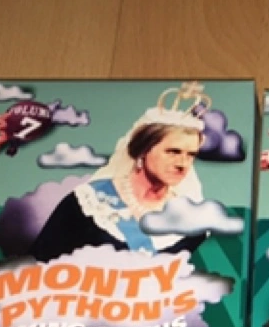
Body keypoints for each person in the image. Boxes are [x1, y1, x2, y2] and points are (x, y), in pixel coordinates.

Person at [31, 84, 210, 260]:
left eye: (191, 155)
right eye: (173, 152)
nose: (183, 164)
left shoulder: (192, 220)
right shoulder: (88, 203)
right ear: (143, 150)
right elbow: (38, 266)